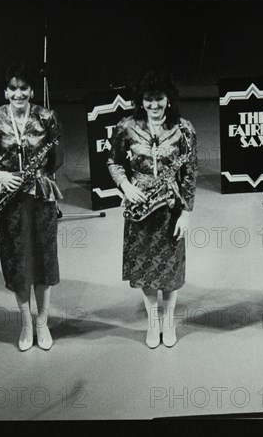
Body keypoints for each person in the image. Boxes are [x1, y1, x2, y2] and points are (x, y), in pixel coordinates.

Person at [0, 62, 64, 351]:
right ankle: (25, 324)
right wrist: (1, 175)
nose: (18, 93)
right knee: (17, 262)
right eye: (13, 88)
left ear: (32, 90)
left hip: (40, 197)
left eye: (24, 88)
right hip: (9, 199)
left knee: (43, 261)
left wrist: (38, 176)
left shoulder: (47, 117)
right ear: (6, 91)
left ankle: (42, 323)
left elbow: (56, 158)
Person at [107, 70, 197, 349]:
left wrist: (186, 212)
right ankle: (152, 320)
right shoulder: (126, 127)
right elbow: (113, 161)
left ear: (169, 99)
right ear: (141, 101)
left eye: (159, 99)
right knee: (144, 266)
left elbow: (190, 174)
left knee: (170, 268)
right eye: (149, 99)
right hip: (139, 206)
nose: (154, 105)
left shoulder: (184, 129)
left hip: (170, 207)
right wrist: (124, 185)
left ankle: (168, 319)